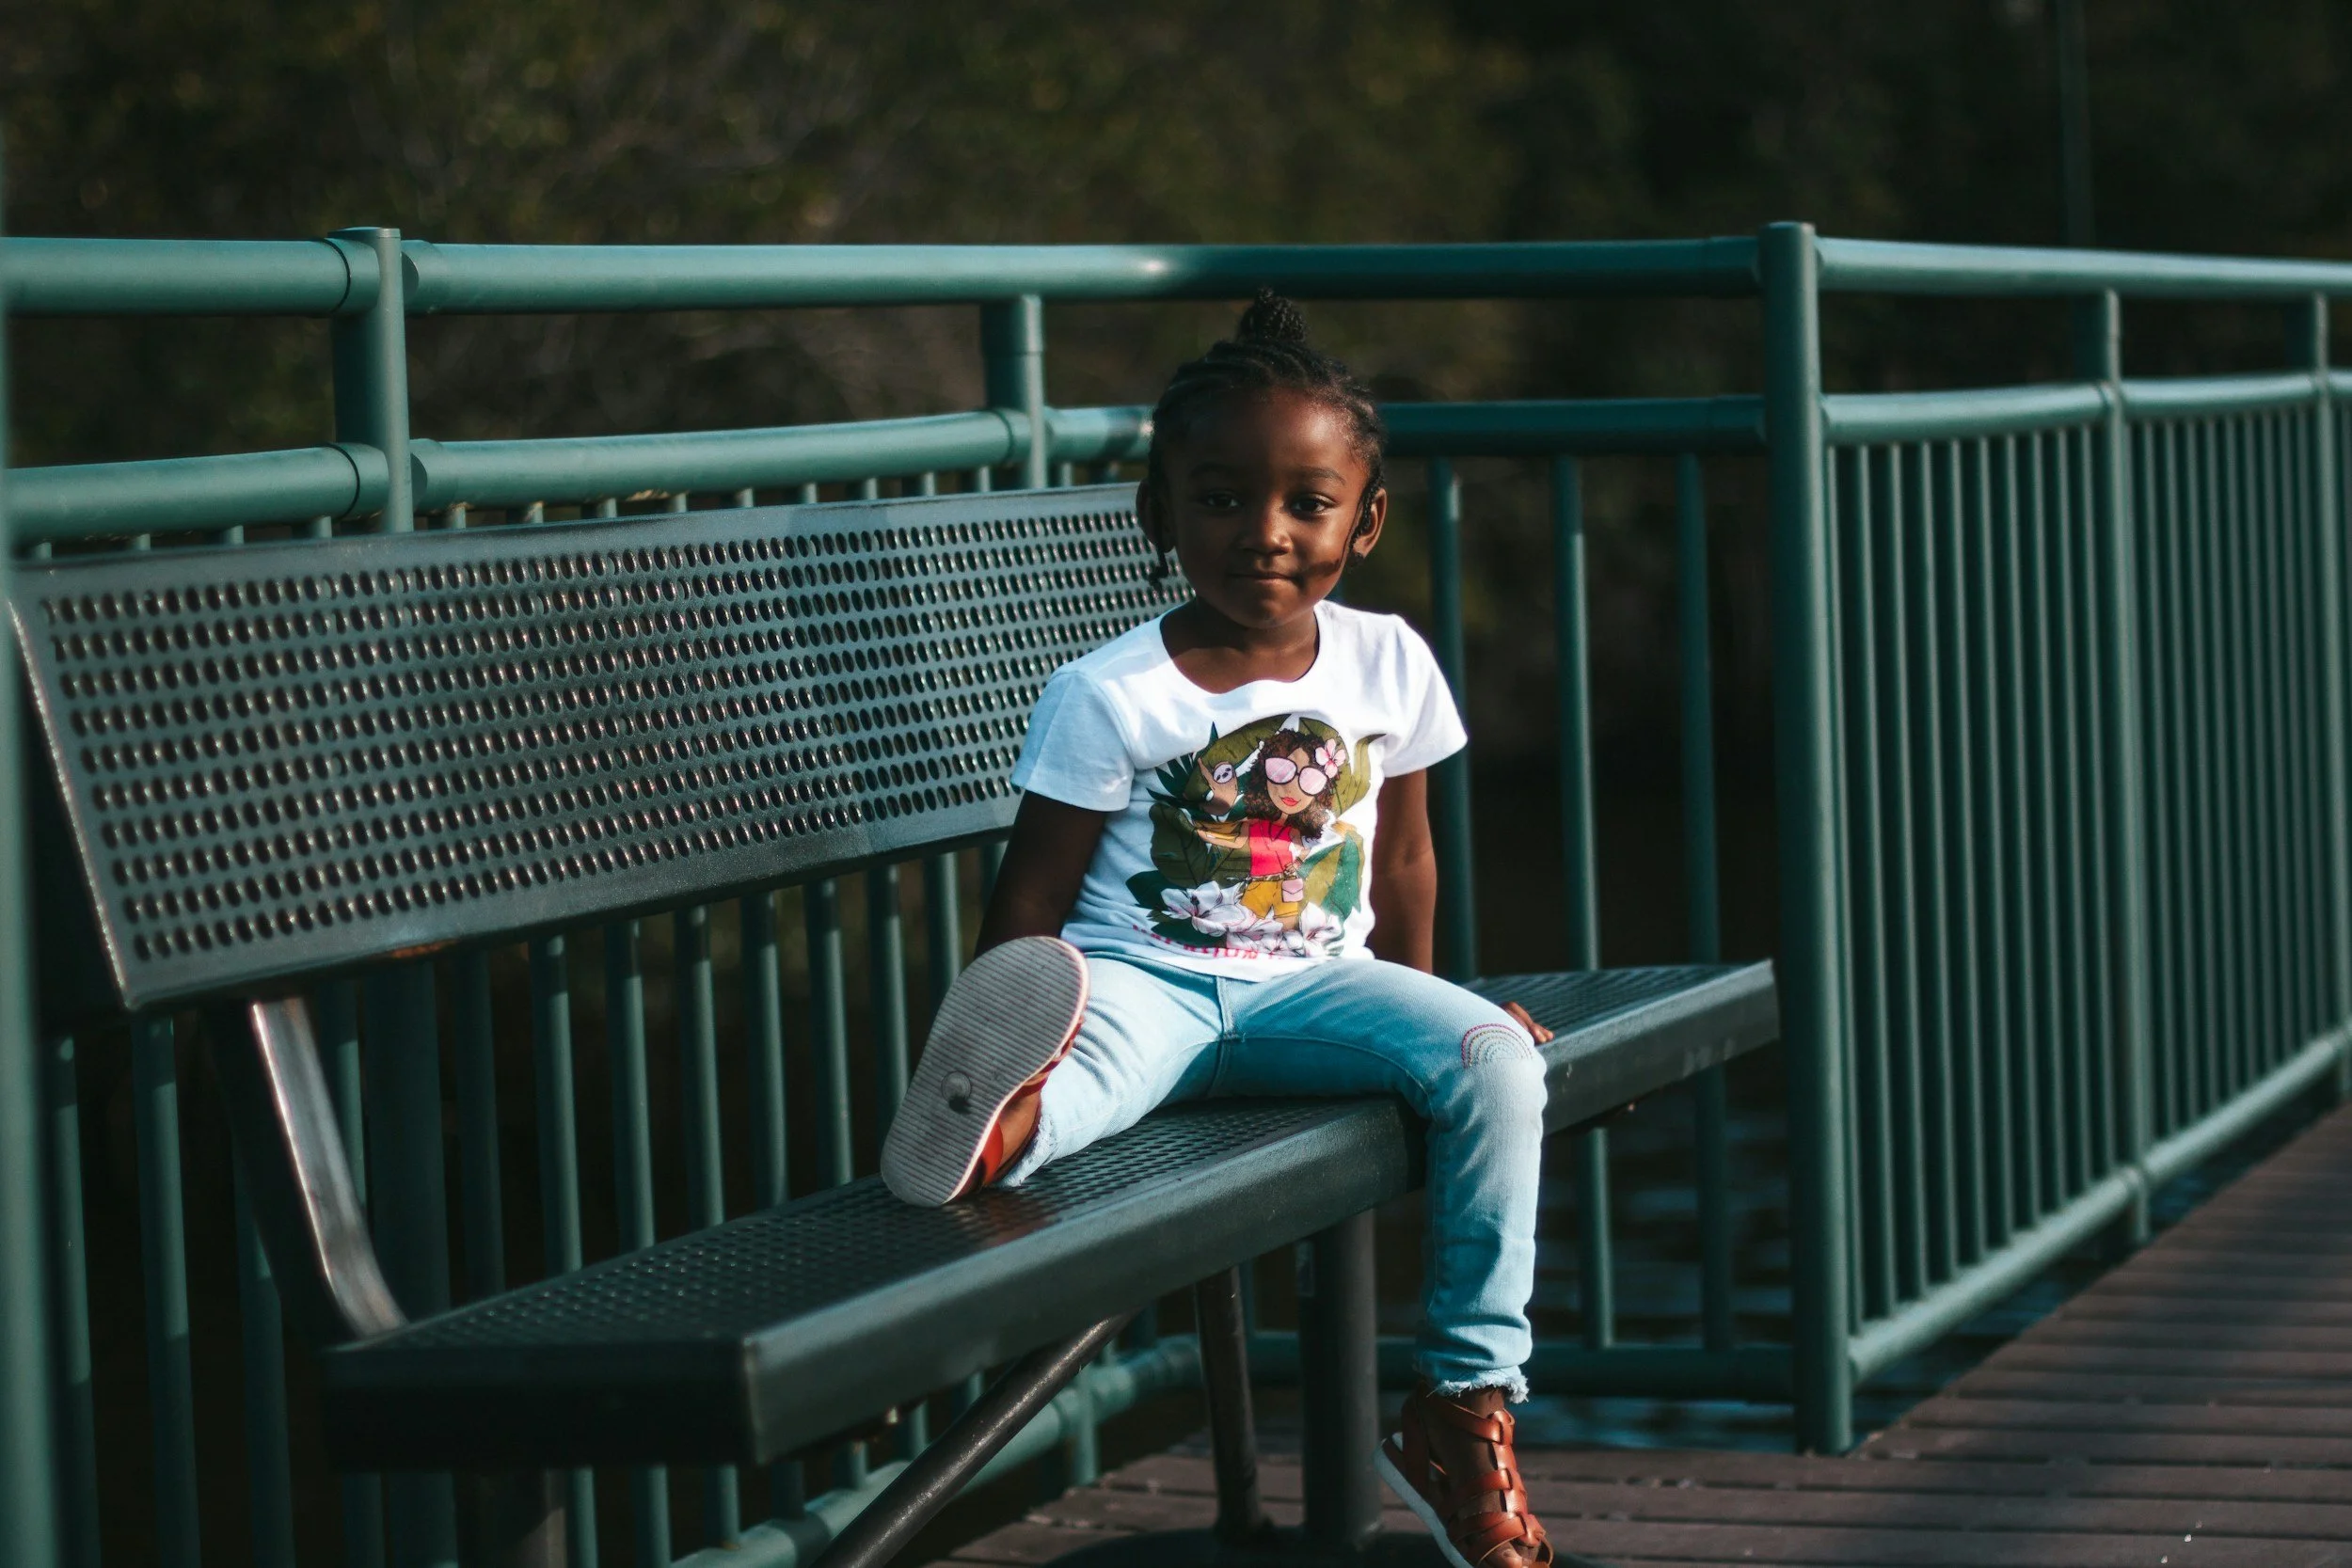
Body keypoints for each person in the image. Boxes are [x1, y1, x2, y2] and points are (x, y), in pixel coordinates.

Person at [882, 292, 1560, 1568]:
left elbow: (1405, 854)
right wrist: (1002, 999)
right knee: (1090, 1081)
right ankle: (996, 1118)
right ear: (1163, 513)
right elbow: (1035, 901)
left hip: (1322, 988)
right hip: (1144, 982)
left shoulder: (1389, 659)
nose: (1265, 533)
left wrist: (1439, 1015)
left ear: (1364, 522)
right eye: (1221, 498)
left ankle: (1465, 1404)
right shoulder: (1107, 692)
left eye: (1307, 503)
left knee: (1497, 1064)